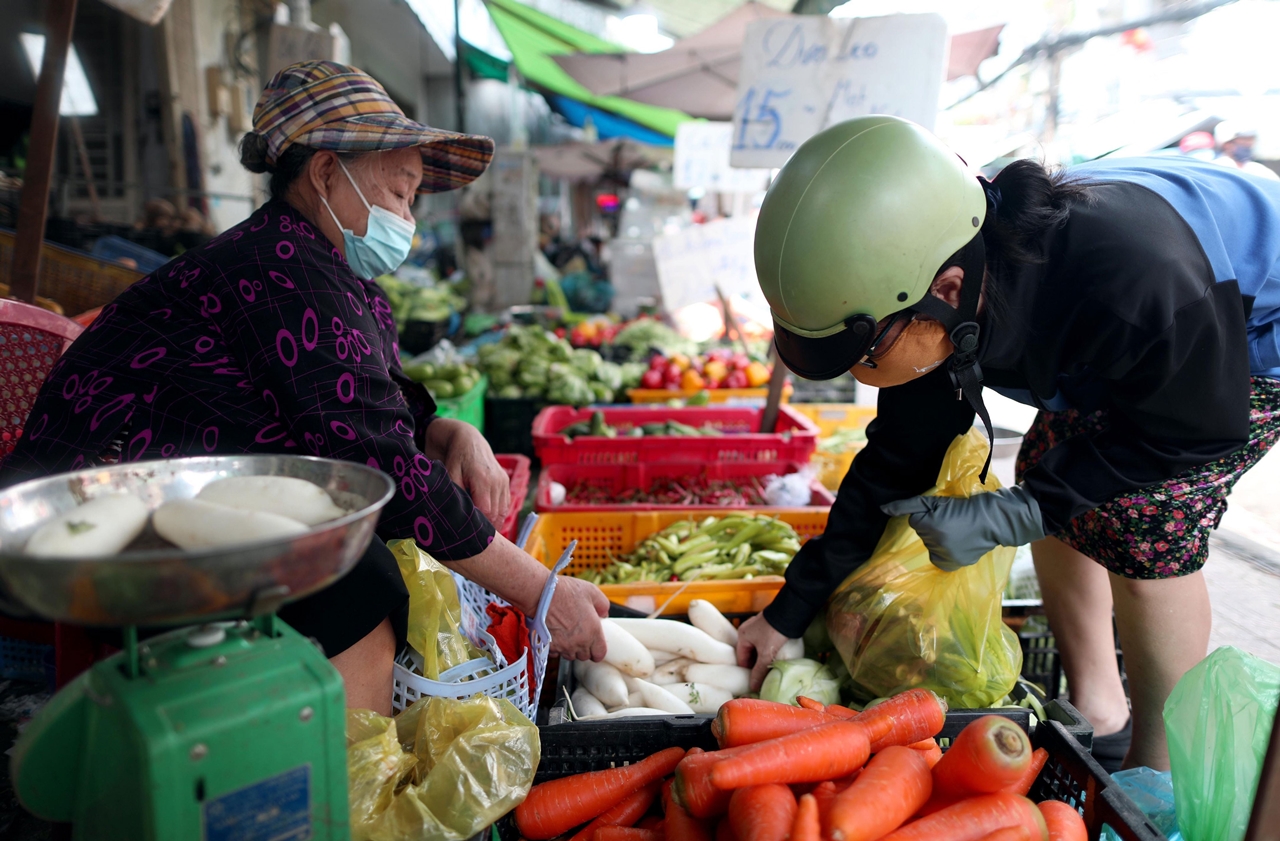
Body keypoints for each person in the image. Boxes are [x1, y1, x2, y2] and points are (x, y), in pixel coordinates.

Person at [0, 61, 609, 715]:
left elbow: (366, 407)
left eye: (412, 200)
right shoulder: (278, 268)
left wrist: (446, 430)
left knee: (369, 561)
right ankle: (343, 784)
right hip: (108, 537)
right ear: (324, 173)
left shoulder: (325, 271)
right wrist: (540, 589)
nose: (406, 216)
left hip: (200, 513)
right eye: (398, 193)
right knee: (359, 578)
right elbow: (384, 466)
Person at [738, 115, 1280, 773]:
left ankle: (1158, 773)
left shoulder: (1134, 281)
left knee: (1145, 516)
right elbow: (895, 462)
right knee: (1049, 472)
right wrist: (790, 608)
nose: (862, 374)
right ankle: (1098, 709)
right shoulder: (934, 286)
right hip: (1147, 324)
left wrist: (1012, 514)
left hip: (1241, 330)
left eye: (867, 348)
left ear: (948, 292)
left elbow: (1197, 424)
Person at [1213, 121, 1280, 181]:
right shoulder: (1216, 168)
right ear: (1227, 144)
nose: (1248, 144)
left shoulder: (1258, 169)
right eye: (1244, 141)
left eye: (1250, 140)